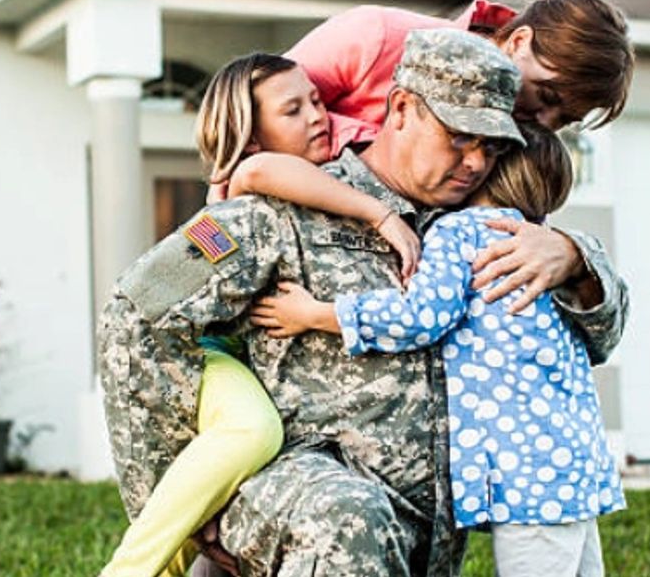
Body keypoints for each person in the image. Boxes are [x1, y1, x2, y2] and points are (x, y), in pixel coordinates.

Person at [99, 28, 622, 576]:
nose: (473, 161)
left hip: (429, 527)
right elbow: (138, 313)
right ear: (401, 108)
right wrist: (174, 498)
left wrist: (574, 258)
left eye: (490, 146)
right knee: (350, 521)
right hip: (317, 495)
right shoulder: (285, 204)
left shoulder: (482, 220)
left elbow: (603, 335)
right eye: (458, 137)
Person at [249, 122, 626, 577]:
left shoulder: (462, 232)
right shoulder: (542, 248)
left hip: (527, 475)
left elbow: (419, 317)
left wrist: (315, 314)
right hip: (573, 460)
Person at [101, 53, 421, 577]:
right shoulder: (248, 181)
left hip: (240, 373)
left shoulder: (302, 186)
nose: (317, 116)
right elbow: (261, 168)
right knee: (255, 432)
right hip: (210, 359)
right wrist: (379, 213)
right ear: (251, 135)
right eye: (293, 110)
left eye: (316, 101)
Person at [285, 0, 634, 329]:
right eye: (545, 95)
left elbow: (586, 329)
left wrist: (574, 257)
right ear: (518, 41)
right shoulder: (375, 39)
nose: (544, 122)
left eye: (565, 119)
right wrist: (375, 206)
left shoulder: (522, 150)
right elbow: (242, 129)